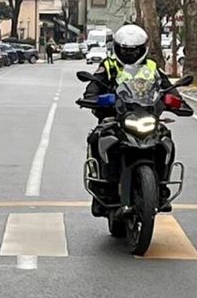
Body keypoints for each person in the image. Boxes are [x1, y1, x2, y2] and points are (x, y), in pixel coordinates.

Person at [81, 24, 188, 215]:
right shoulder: (108, 65)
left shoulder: (152, 67)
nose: (129, 54)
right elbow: (93, 88)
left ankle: (162, 187)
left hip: (147, 115)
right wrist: (94, 98)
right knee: (98, 137)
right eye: (125, 50)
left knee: (166, 140)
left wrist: (177, 101)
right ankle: (101, 187)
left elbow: (167, 87)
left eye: (134, 50)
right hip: (115, 117)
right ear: (117, 47)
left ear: (142, 49)